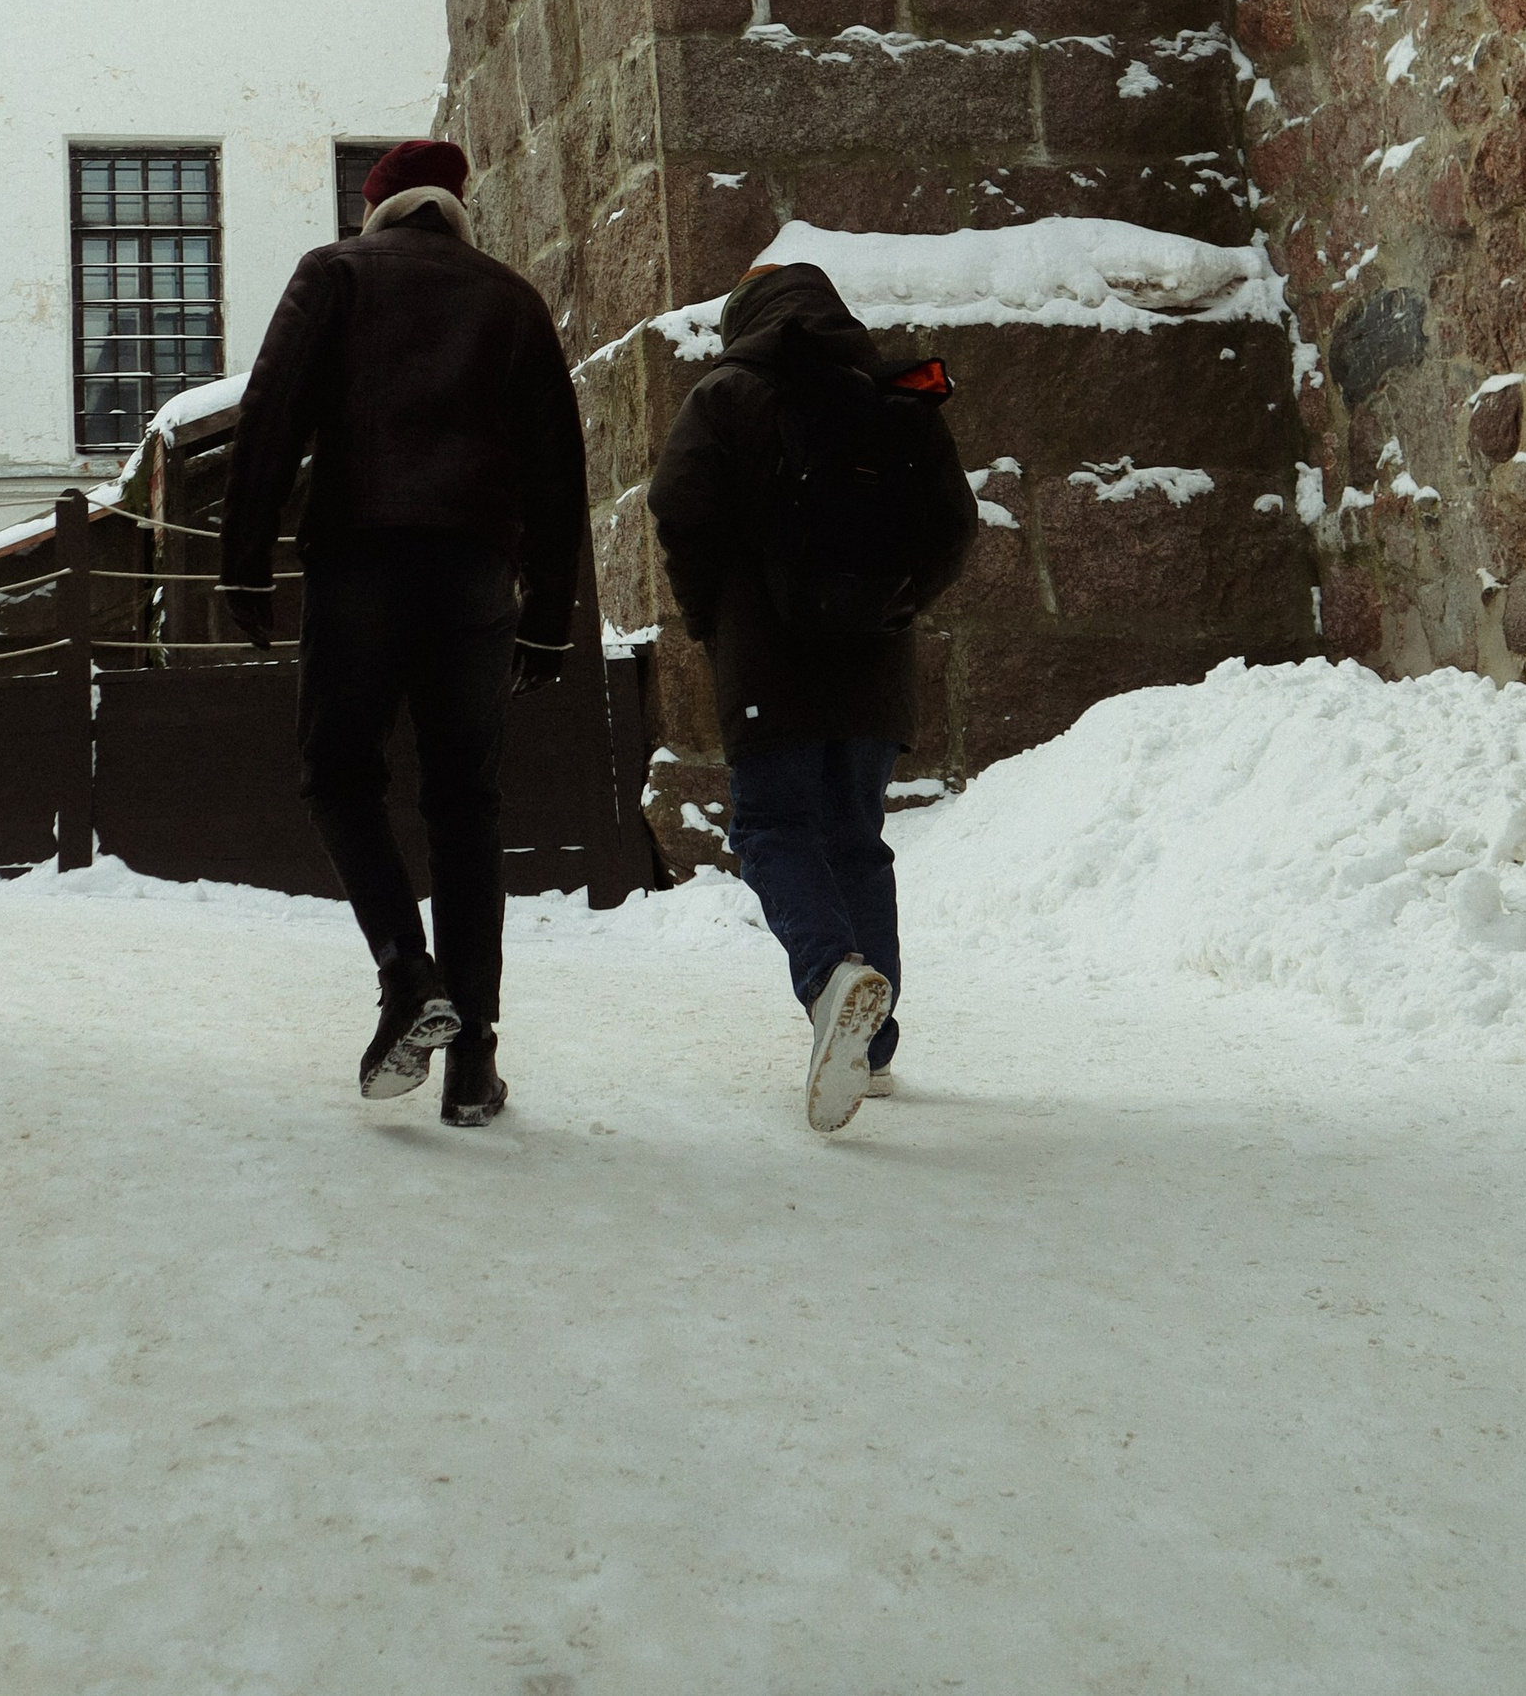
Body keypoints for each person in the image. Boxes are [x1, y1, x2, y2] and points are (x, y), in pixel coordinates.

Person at [219, 136, 588, 1125]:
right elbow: (558, 465)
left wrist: (243, 556)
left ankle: (406, 974)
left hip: (359, 565)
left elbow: (270, 416)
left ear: (375, 208)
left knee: (339, 775)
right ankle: (472, 1059)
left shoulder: (332, 273)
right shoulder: (508, 297)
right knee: (465, 801)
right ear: (455, 209)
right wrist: (548, 618)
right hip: (475, 574)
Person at [647, 257, 975, 1133]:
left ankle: (833, 979)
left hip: (768, 663)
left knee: (770, 831)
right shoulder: (896, 393)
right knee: (856, 841)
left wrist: (709, 615)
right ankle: (874, 1042)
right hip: (875, 668)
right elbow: (954, 527)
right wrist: (903, 600)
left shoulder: (728, 393)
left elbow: (676, 507)